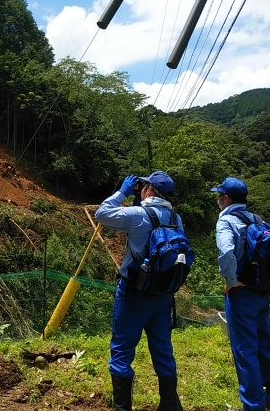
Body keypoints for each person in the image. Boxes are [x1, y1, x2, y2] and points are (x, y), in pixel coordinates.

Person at [95, 171, 184, 411]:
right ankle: (169, 405)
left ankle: (122, 408)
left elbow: (101, 214)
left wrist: (123, 191)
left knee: (122, 350)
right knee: (163, 349)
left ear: (150, 191)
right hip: (163, 296)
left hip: (134, 293)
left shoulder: (137, 215)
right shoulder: (176, 219)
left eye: (144, 186)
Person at [211, 177, 270, 411]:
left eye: (219, 196)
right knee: (264, 343)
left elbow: (226, 253)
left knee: (245, 350)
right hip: (261, 291)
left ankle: (253, 406)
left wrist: (231, 281)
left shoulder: (226, 221)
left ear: (225, 199)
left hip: (242, 293)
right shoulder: (256, 218)